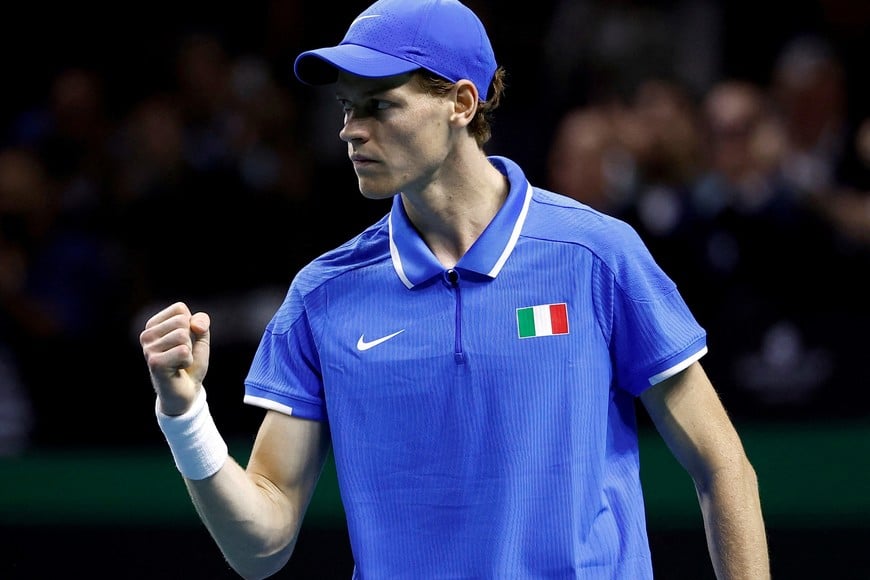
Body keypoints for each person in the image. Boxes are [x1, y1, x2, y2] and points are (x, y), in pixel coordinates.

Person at [139, 1, 770, 578]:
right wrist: (185, 415)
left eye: (378, 105)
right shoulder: (321, 295)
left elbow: (723, 467)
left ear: (461, 103)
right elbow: (261, 543)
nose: (351, 131)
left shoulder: (596, 257)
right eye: (346, 109)